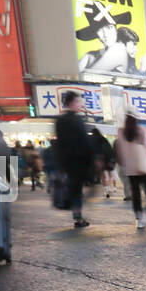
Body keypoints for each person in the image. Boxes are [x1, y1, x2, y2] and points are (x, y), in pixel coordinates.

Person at [55, 91, 94, 228]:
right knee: (77, 189)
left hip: (67, 162)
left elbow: (59, 143)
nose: (81, 104)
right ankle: (78, 216)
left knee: (74, 188)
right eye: (78, 102)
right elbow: (85, 141)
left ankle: (76, 214)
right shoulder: (77, 120)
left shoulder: (60, 121)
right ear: (71, 103)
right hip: (79, 161)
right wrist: (92, 157)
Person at [115, 112, 146, 229]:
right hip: (143, 165)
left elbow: (119, 149)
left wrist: (122, 162)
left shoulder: (121, 132)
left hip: (130, 168)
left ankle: (139, 219)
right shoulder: (141, 130)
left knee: (135, 194)